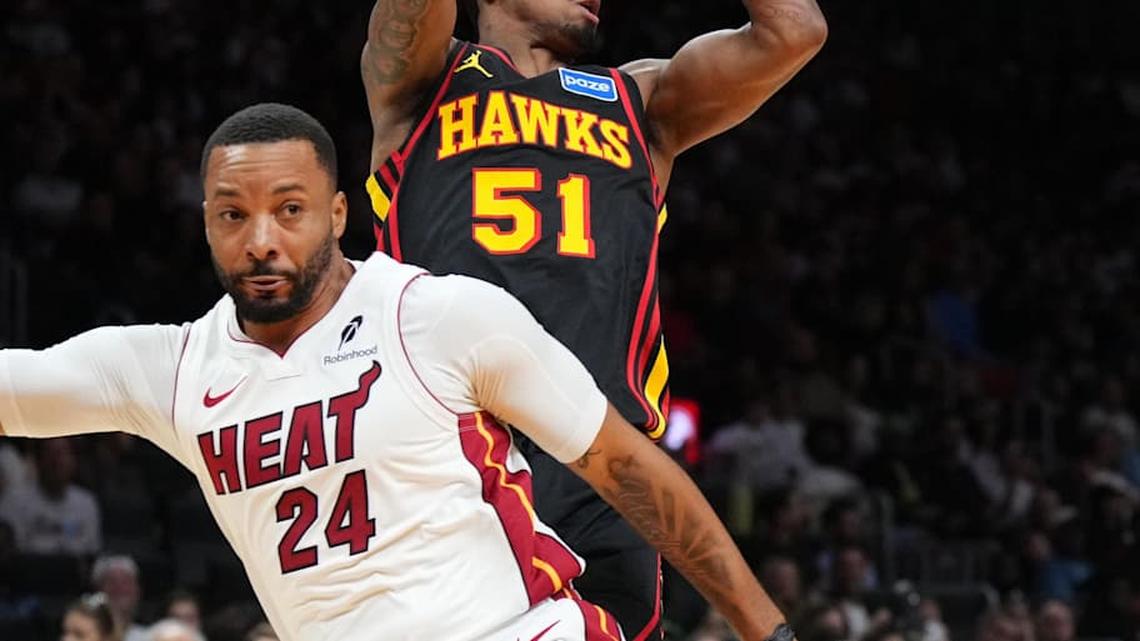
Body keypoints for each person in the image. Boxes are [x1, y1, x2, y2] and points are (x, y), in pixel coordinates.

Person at [0, 102, 792, 641]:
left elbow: (629, 468)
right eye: (232, 214)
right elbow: (19, 388)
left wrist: (771, 630)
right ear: (206, 221)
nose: (262, 239)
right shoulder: (174, 369)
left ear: (337, 214)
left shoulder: (434, 315)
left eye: (290, 208)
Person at [360, 1, 827, 637]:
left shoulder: (641, 100)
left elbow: (796, 30)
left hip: (607, 481)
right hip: (449, 465)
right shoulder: (424, 81)